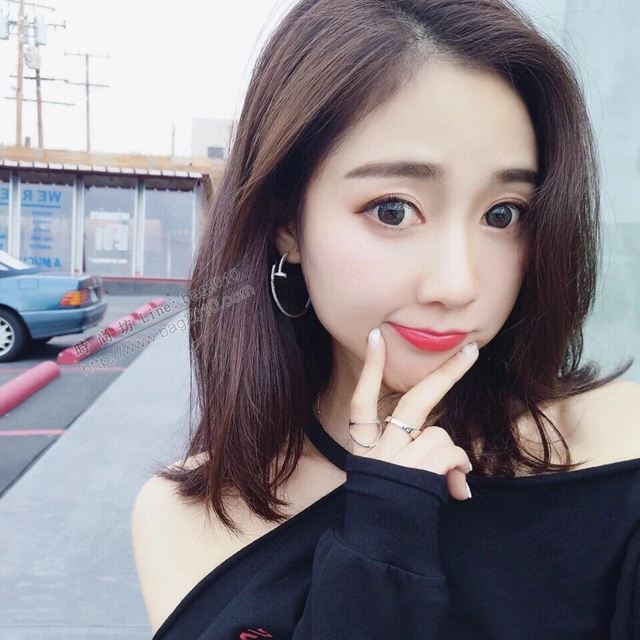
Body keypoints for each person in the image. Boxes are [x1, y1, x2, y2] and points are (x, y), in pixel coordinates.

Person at [131, 0, 640, 638]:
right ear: (288, 222)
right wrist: (382, 540)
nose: (457, 285)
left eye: (503, 214)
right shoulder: (188, 519)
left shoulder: (620, 449)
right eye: (393, 210)